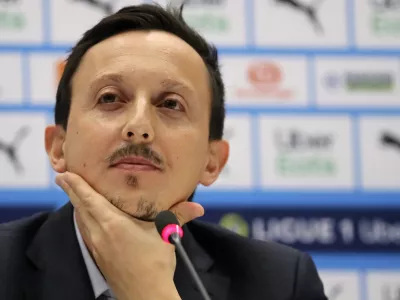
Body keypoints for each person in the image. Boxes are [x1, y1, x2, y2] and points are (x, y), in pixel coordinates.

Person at [0, 3, 328, 300]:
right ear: (58, 146)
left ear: (212, 162)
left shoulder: (281, 284)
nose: (139, 127)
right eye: (110, 98)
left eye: (171, 104)